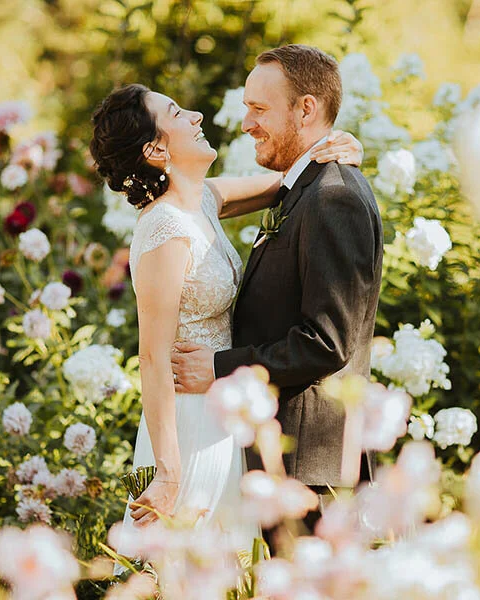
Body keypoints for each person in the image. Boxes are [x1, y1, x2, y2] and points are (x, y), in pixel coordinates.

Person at [89, 81, 363, 553]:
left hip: (221, 409)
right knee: (190, 558)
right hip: (189, 420)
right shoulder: (164, 229)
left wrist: (338, 147)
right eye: (176, 112)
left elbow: (289, 183)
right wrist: (168, 471)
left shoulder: (203, 202)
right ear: (156, 149)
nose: (195, 115)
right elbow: (152, 358)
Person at [171, 44, 384, 541]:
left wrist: (218, 369)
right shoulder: (308, 190)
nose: (247, 123)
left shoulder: (334, 198)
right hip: (288, 462)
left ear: (305, 109)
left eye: (259, 109)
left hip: (313, 467)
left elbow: (327, 342)